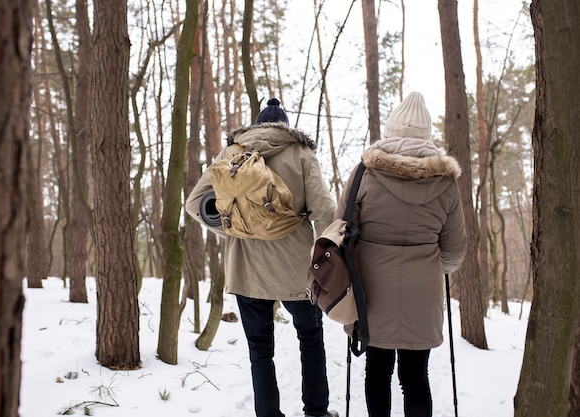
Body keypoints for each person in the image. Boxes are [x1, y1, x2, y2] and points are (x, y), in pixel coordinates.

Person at [186, 98, 338, 417]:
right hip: (297, 269)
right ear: (285, 126)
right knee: (310, 339)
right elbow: (323, 210)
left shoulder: (231, 154)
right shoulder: (301, 153)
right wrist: (328, 258)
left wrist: (231, 229)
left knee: (259, 351)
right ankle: (317, 412)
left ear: (256, 126)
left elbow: (195, 204)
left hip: (245, 268)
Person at [336, 92, 467, 417]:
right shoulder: (446, 183)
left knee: (377, 371)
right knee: (414, 375)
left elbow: (340, 228)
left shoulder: (363, 174)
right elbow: (453, 253)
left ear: (391, 131)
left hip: (371, 291)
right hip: (422, 292)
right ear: (427, 135)